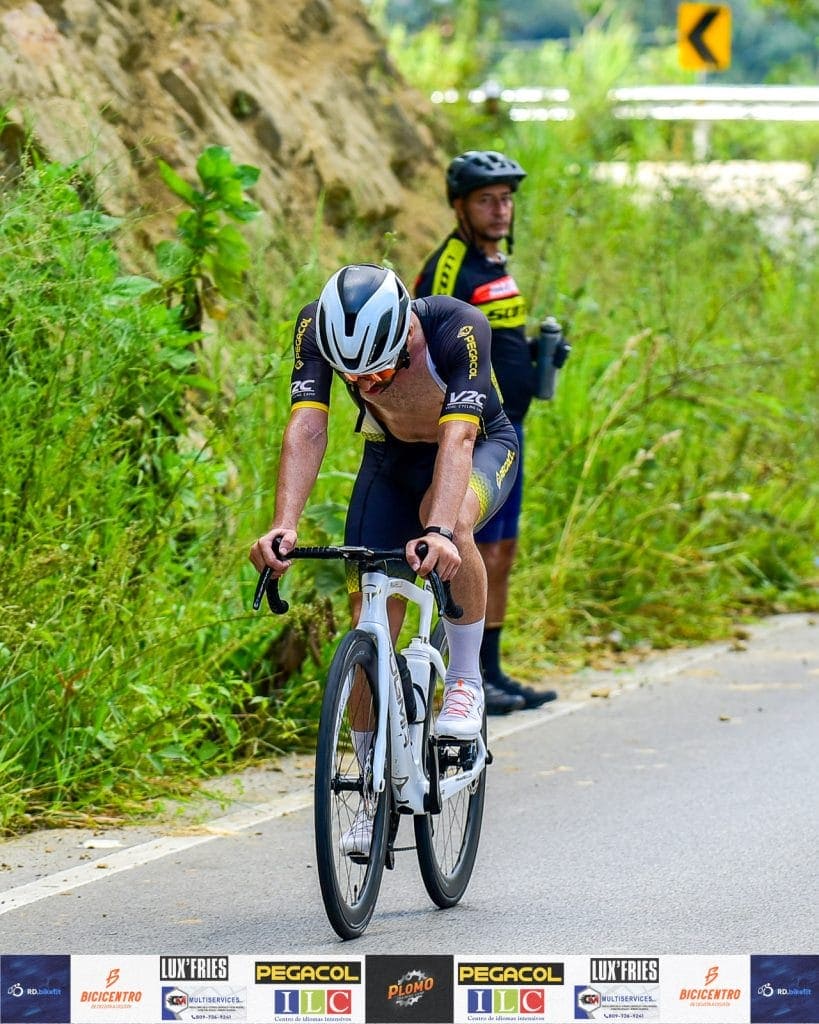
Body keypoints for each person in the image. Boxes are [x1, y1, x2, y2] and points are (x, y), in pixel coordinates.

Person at [249, 264, 520, 851]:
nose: (367, 389)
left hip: (477, 446)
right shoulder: (314, 329)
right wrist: (283, 526)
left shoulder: (458, 328)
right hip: (389, 458)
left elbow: (459, 439)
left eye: (380, 372)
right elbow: (307, 429)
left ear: (404, 335)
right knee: (367, 630)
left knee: (456, 523)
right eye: (355, 379)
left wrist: (441, 530)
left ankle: (467, 680)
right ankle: (372, 792)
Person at [415, 150, 558, 711]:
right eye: (486, 200)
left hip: (508, 430)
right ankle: (460, 674)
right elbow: (438, 343)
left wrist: (536, 356)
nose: (500, 210)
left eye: (506, 200)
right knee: (472, 545)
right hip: (472, 433)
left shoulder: (495, 261)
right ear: (459, 206)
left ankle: (491, 671)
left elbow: (494, 335)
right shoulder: (451, 266)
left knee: (502, 552)